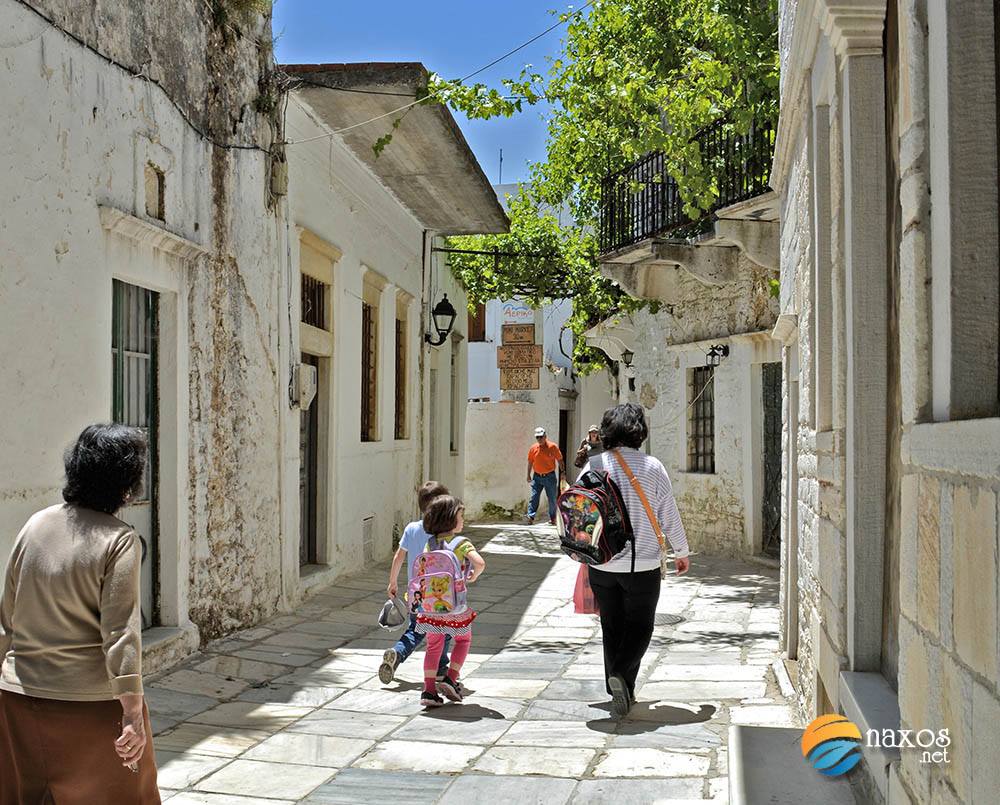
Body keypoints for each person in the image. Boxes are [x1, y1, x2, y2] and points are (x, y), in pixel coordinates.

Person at [0, 423, 160, 804]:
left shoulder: (35, 524)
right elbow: (121, 632)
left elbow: (7, 616)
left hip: (18, 699)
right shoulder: (119, 540)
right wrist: (133, 713)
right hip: (89, 706)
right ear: (126, 483)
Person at [580, 403, 691, 719]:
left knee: (611, 624)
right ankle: (620, 673)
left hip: (601, 563)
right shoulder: (652, 467)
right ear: (639, 431)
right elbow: (668, 514)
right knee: (641, 625)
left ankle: (620, 687)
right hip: (642, 563)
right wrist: (680, 551)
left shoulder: (593, 465)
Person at [415, 496, 485, 708]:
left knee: (433, 646)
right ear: (451, 520)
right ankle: (451, 678)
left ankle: (428, 690)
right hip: (455, 607)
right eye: (461, 516)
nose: (463, 520)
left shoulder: (429, 544)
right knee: (463, 640)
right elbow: (480, 563)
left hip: (432, 607)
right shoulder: (461, 544)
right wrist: (473, 574)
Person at [380, 481, 452, 684]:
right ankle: (439, 668)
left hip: (415, 594)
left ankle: (396, 652)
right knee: (443, 631)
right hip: (437, 595)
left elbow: (398, 557)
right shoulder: (442, 534)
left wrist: (392, 582)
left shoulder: (412, 528)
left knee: (416, 630)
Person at [524, 426, 565, 525]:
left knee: (551, 498)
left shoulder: (553, 447)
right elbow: (530, 462)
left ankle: (553, 518)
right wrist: (528, 475)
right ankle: (530, 516)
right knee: (534, 496)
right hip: (537, 476)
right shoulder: (533, 448)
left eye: (541, 437)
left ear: (545, 436)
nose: (539, 439)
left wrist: (563, 472)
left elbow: (560, 460)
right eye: (537, 437)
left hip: (550, 476)